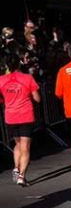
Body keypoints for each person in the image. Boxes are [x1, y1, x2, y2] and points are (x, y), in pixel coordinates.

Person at [0, 52, 41, 186]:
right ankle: (21, 176)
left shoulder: (1, 80)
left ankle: (16, 168)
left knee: (17, 145)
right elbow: (37, 98)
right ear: (19, 63)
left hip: (11, 117)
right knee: (25, 147)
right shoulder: (27, 78)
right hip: (25, 115)